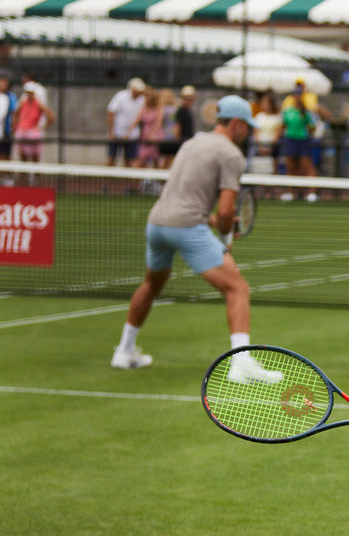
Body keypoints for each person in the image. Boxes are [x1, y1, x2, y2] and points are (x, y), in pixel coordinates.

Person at [111, 94, 281, 382]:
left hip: (158, 224)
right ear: (237, 124)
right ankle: (240, 364)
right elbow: (226, 208)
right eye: (247, 126)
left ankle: (124, 351)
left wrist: (213, 220)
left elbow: (187, 197)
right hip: (187, 227)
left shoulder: (191, 143)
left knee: (151, 284)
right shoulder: (231, 154)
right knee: (237, 288)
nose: (249, 132)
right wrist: (225, 234)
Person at [279, 89, 318, 200]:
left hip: (304, 140)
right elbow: (282, 126)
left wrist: (306, 116)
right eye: (295, 95)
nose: (297, 97)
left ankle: (311, 193)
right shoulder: (288, 111)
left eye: (299, 95)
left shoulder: (307, 112)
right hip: (290, 140)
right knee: (290, 166)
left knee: (307, 166)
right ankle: (289, 192)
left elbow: (312, 127)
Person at [106, 77, 145, 169]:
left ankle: (129, 183)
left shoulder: (142, 99)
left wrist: (130, 132)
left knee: (130, 160)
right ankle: (105, 181)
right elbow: (111, 112)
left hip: (132, 136)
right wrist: (111, 132)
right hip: (117, 133)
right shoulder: (120, 96)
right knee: (111, 159)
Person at [13, 81, 56, 163]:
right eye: (27, 92)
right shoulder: (22, 102)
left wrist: (43, 128)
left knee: (35, 158)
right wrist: (16, 126)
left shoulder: (39, 103)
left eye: (31, 92)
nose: (29, 94)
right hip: (22, 131)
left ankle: (36, 175)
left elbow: (51, 117)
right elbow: (15, 113)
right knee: (23, 158)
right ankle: (24, 175)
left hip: (33, 132)